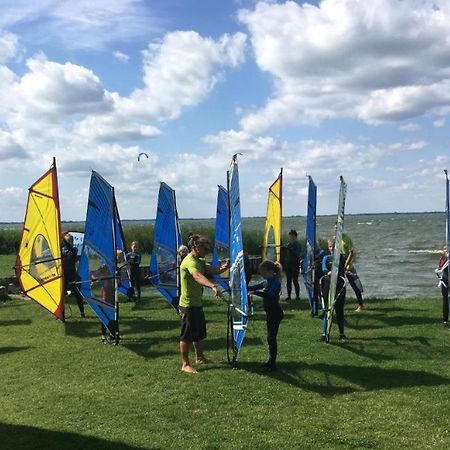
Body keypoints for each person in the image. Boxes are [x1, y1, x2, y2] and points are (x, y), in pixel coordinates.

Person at [179, 234, 228, 373]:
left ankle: (200, 357)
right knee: (186, 335)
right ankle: (185, 364)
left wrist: (224, 267)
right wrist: (212, 286)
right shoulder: (190, 261)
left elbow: (212, 270)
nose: (207, 251)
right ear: (196, 247)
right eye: (205, 249)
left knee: (198, 333)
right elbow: (197, 276)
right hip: (187, 305)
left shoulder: (199, 260)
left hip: (196, 304)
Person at [247, 260, 284, 372]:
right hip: (270, 313)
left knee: (271, 338)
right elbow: (254, 287)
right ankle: (270, 362)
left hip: (275, 313)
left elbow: (270, 295)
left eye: (263, 272)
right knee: (270, 338)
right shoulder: (267, 281)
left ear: (270, 271)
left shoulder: (275, 282)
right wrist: (242, 286)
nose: (261, 275)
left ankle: (272, 364)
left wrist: (256, 293)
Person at [320, 238, 347, 342]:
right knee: (327, 310)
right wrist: (328, 273)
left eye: (334, 246)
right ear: (328, 247)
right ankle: (324, 333)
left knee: (339, 310)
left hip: (339, 285)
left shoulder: (341, 257)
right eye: (330, 246)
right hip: (328, 285)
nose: (332, 248)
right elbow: (324, 269)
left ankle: (342, 333)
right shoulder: (326, 258)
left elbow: (342, 269)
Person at [61, 231, 85, 317]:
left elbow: (69, 250)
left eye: (71, 241)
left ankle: (82, 312)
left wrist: (64, 239)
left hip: (72, 274)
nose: (71, 242)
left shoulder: (74, 250)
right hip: (64, 275)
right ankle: (62, 315)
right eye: (69, 241)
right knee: (62, 295)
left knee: (78, 294)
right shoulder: (61, 250)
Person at [340, 232, 365, 312]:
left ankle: (360, 305)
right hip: (339, 267)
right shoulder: (336, 239)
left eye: (338, 228)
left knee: (355, 285)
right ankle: (339, 305)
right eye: (335, 228)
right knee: (340, 286)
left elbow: (351, 252)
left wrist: (346, 264)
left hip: (348, 267)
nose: (336, 230)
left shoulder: (346, 238)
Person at [283, 229, 301, 301]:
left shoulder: (298, 245)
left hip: (295, 264)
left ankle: (297, 296)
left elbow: (297, 253)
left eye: (293, 237)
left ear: (296, 237)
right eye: (290, 237)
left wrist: (290, 249)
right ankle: (289, 296)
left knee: (295, 280)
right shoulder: (288, 245)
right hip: (288, 265)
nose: (291, 238)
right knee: (288, 280)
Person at [436, 245, 449, 327]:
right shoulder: (443, 259)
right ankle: (445, 319)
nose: (446, 250)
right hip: (445, 280)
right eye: (445, 249)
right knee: (445, 299)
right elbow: (441, 268)